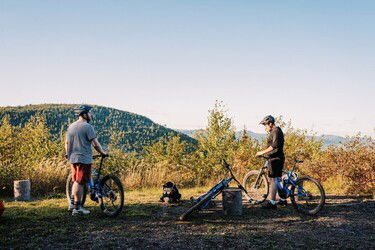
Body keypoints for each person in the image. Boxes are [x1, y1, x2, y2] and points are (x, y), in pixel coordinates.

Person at [65, 105, 107, 215]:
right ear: (84, 114)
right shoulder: (87, 126)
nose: (91, 114)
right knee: (80, 182)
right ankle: (78, 208)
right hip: (83, 158)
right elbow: (95, 144)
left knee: (76, 180)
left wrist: (68, 154)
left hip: (73, 158)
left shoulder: (71, 127)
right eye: (89, 113)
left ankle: (72, 205)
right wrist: (103, 153)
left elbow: (67, 143)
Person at [255, 115, 285, 209]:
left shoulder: (275, 131)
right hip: (277, 158)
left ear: (270, 124)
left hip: (275, 158)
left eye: (265, 125)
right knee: (277, 179)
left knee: (273, 180)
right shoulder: (276, 131)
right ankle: (283, 199)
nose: (265, 127)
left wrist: (261, 152)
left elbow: (273, 146)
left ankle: (272, 202)